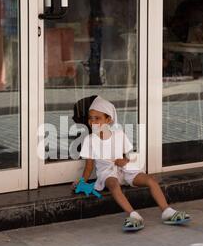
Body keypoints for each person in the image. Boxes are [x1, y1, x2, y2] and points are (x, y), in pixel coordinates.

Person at [72, 96, 191, 232]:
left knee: (150, 180)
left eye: (97, 118)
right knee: (113, 184)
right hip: (107, 173)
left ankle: (167, 211)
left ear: (108, 120)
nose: (92, 122)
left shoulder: (119, 134)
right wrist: (81, 182)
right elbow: (89, 166)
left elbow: (129, 157)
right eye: (90, 118)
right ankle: (133, 215)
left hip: (124, 169)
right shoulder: (90, 139)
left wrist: (125, 161)